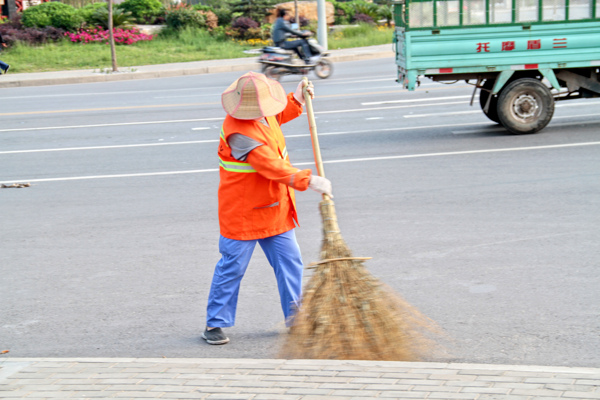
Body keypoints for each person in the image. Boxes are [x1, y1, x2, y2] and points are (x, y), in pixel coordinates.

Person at [202, 72, 332, 345]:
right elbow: (270, 166)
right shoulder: (239, 133)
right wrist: (309, 181)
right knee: (232, 268)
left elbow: (277, 117)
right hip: (243, 214)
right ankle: (215, 324)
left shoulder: (261, 115)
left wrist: (295, 99)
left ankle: (296, 317)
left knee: (290, 263)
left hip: (275, 208)